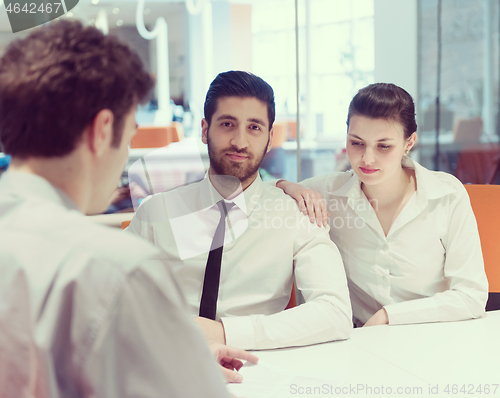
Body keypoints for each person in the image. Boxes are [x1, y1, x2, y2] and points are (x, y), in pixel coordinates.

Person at [0, 21, 256, 398]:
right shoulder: (115, 268)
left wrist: (172, 351)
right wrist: (183, 367)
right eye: (130, 132)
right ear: (103, 130)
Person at [127, 70, 352, 350]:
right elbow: (112, 301)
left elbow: (335, 313)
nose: (240, 142)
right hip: (169, 363)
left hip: (258, 368)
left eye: (254, 127)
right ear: (205, 130)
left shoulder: (297, 215)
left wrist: (223, 333)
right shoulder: (156, 212)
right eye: (228, 124)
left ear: (270, 138)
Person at [275, 83, 489, 327]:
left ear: (409, 142)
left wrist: (389, 317)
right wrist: (289, 186)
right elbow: (261, 191)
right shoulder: (331, 192)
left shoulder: (447, 196)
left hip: (434, 336)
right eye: (356, 143)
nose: (367, 158)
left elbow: (471, 296)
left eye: (384, 146)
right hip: (364, 344)